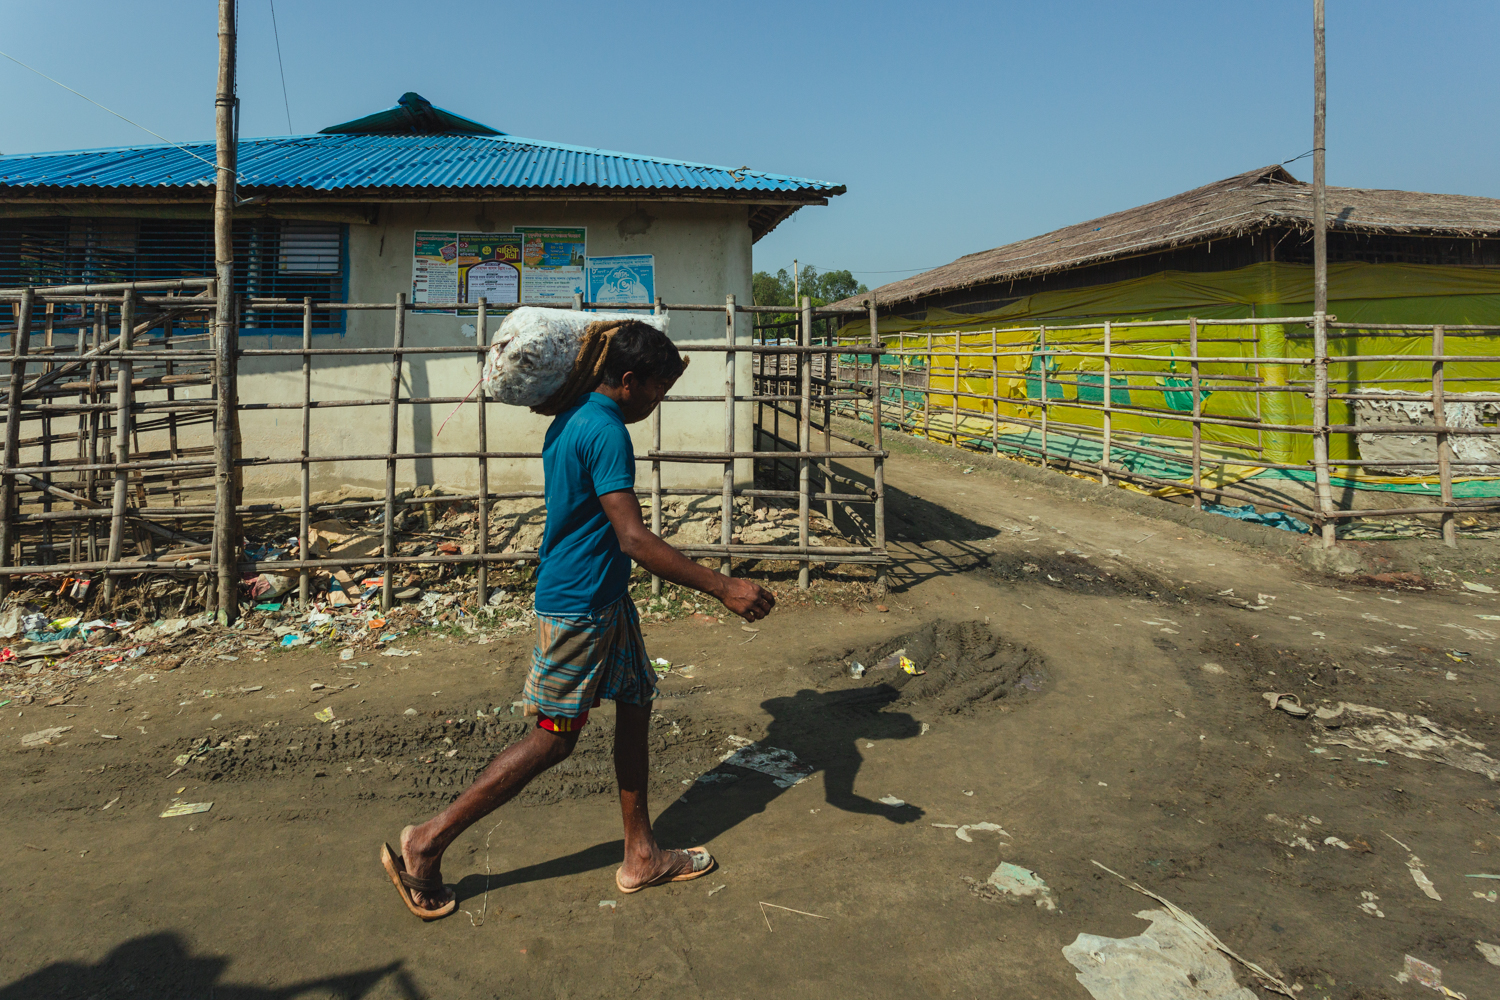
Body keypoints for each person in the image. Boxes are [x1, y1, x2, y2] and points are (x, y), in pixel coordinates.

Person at [380, 320, 776, 920]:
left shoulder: (573, 420)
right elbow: (635, 538)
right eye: (657, 390)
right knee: (551, 740)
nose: (658, 401)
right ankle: (427, 842)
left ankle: (641, 855)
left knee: (636, 700)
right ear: (627, 380)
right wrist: (724, 587)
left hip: (606, 600)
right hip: (579, 606)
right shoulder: (604, 430)